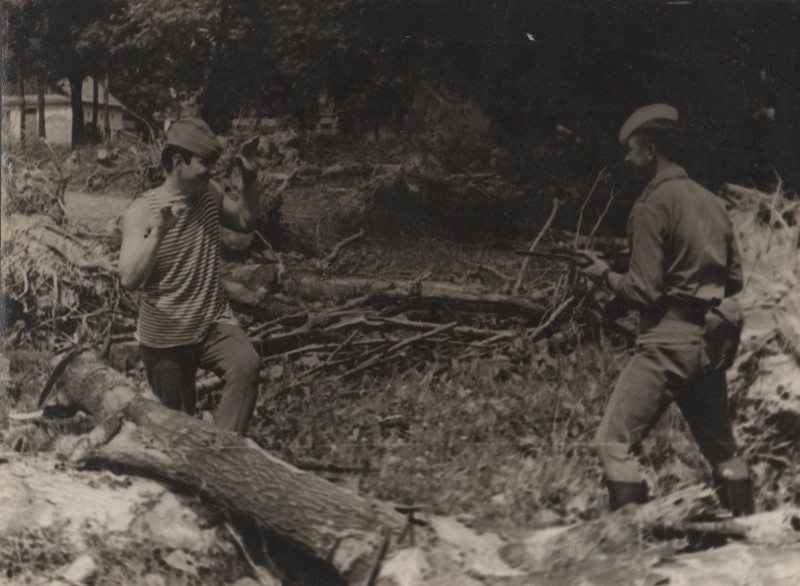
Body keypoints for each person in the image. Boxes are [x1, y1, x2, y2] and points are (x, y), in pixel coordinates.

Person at [578, 104, 754, 516]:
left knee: (612, 444)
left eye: (631, 150)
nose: (628, 159)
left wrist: (604, 275)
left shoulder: (650, 206)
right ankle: (749, 534)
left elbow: (643, 290)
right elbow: (734, 280)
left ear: (651, 151)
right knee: (724, 452)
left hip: (665, 344)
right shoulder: (713, 203)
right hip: (708, 347)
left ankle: (628, 542)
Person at [118, 118, 261, 434]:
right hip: (165, 337)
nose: (211, 171)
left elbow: (245, 220)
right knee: (178, 429)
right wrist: (159, 233)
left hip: (211, 322)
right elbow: (128, 279)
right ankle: (193, 455)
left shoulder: (210, 192)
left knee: (246, 363)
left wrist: (250, 180)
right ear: (177, 162)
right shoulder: (141, 211)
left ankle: (224, 451)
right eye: (205, 163)